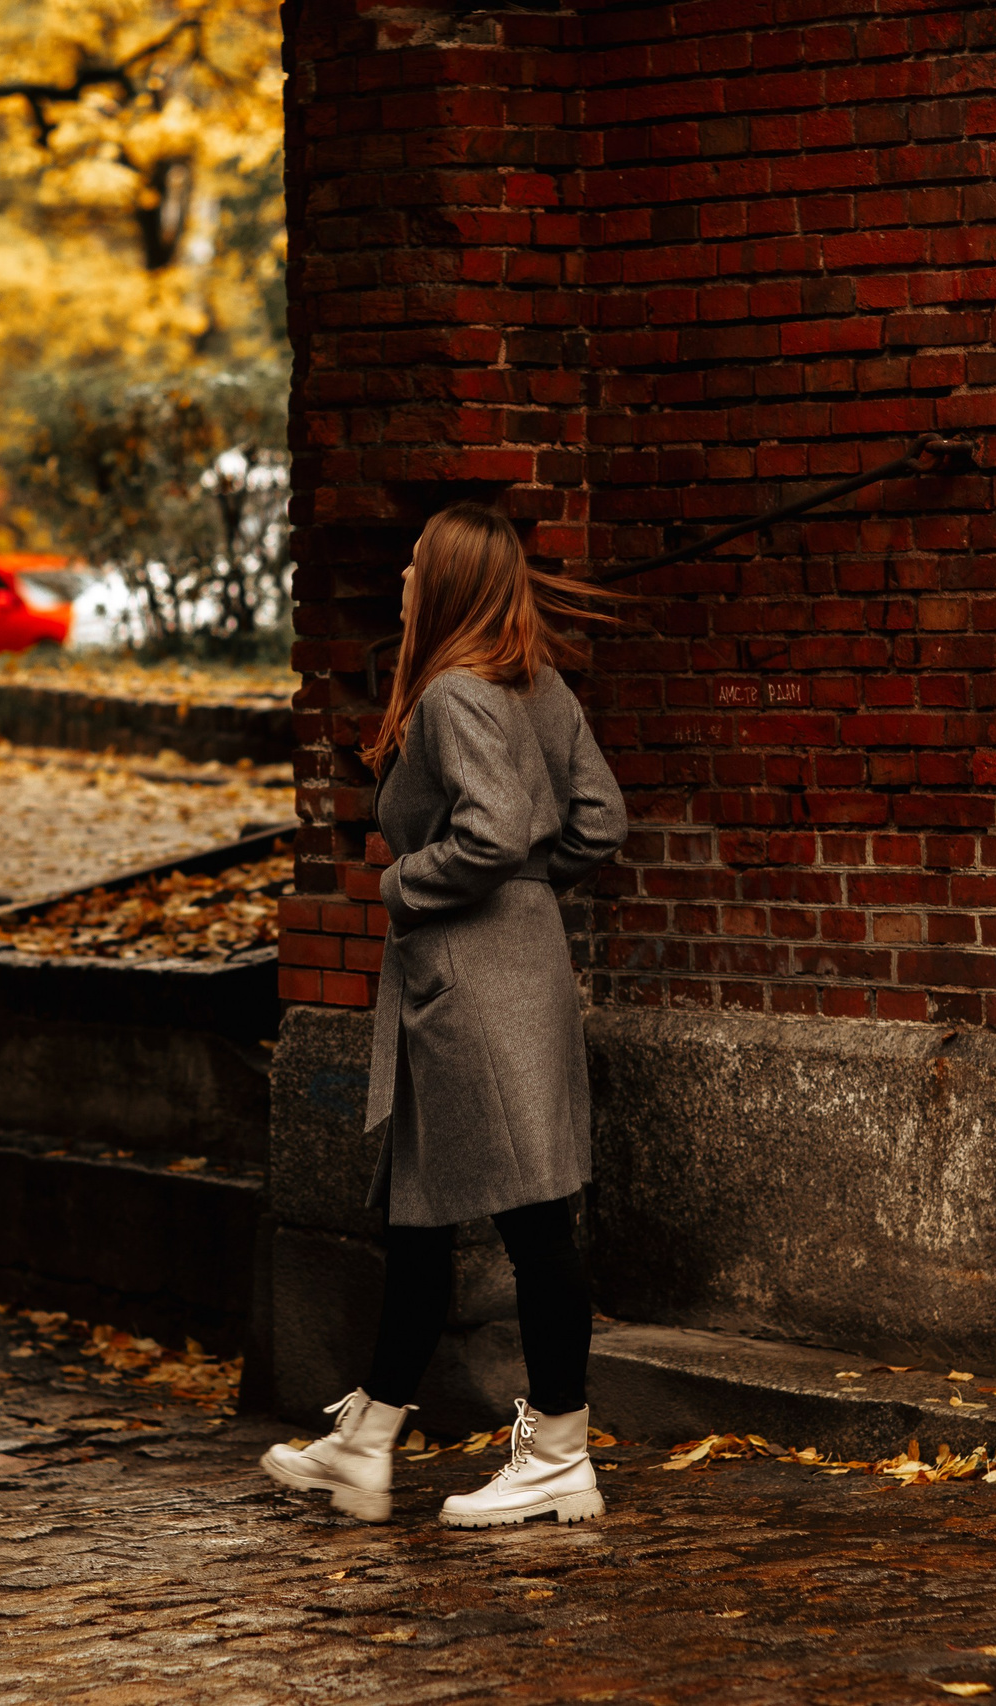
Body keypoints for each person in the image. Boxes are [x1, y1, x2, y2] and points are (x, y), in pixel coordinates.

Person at [261, 502, 626, 1528]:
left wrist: (406, 883)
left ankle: (557, 1451)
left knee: (533, 1219)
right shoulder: (538, 687)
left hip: (471, 984)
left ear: (453, 581)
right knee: (419, 1218)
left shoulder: (456, 692)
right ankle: (367, 1439)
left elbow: (492, 829)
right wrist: (529, 889)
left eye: (418, 564)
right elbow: (597, 817)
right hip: (494, 976)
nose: (406, 577)